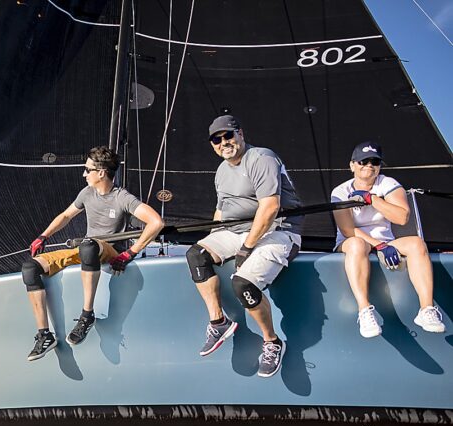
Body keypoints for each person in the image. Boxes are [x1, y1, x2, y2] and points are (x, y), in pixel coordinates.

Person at [185, 115, 303, 378]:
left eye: (228, 135)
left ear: (241, 134)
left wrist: (247, 248)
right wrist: (212, 239)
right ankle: (218, 322)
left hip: (278, 231)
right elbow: (221, 211)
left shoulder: (261, 158)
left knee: (242, 284)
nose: (223, 142)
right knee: (196, 254)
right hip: (235, 231)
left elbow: (270, 207)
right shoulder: (221, 170)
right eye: (217, 139)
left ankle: (272, 342)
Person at [22, 146, 164, 361]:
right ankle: (44, 335)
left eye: (87, 169)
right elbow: (66, 216)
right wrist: (43, 236)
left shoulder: (122, 197)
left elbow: (156, 222)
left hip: (108, 251)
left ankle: (86, 316)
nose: (84, 174)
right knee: (30, 267)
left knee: (88, 245)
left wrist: (130, 253)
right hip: (88, 249)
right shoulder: (87, 193)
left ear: (101, 172)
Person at [330, 141, 445, 337]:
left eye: (374, 161)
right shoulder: (340, 192)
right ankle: (364, 310)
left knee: (417, 243)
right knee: (358, 245)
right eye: (363, 161)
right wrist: (379, 245)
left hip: (386, 241)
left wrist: (372, 199)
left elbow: (402, 217)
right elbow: (348, 230)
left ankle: (426, 309)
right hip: (354, 241)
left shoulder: (388, 184)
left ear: (380, 166)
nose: (369, 165)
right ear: (352, 165)